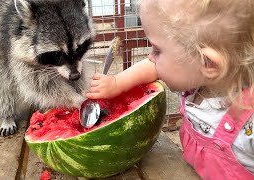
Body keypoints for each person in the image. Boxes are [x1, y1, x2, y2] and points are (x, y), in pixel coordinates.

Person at [86, 0, 254, 179]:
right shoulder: (195, 80)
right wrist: (116, 83)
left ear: (208, 63)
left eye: (157, 50)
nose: (150, 56)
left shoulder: (248, 124)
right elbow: (151, 67)